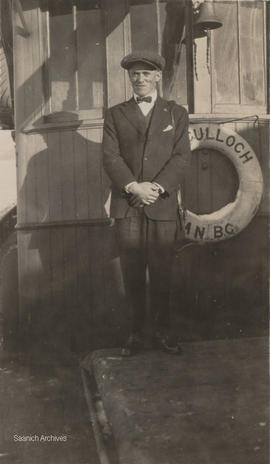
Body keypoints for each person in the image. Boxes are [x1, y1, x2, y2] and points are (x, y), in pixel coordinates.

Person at [102, 51, 191, 356]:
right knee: (132, 274)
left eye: (145, 74)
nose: (138, 79)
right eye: (134, 74)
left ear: (157, 77)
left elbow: (182, 157)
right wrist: (133, 187)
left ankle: (164, 334)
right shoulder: (114, 114)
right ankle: (136, 336)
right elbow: (110, 157)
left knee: (164, 272)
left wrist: (155, 187)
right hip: (128, 207)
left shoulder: (176, 114)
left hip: (162, 205)